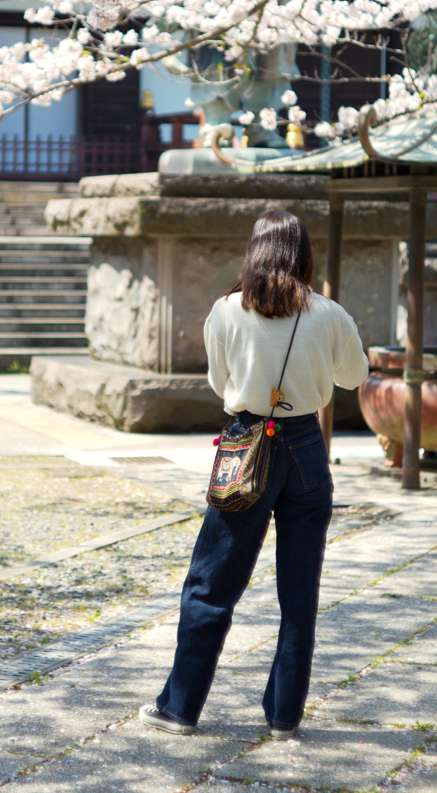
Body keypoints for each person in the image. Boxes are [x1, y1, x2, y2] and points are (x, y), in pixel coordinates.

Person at [140, 209, 369, 738]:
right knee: (299, 590)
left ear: (254, 253)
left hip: (245, 445)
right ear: (302, 254)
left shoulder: (225, 311)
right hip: (307, 449)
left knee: (211, 582)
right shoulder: (330, 313)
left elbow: (222, 385)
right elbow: (354, 377)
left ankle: (180, 707)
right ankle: (284, 714)